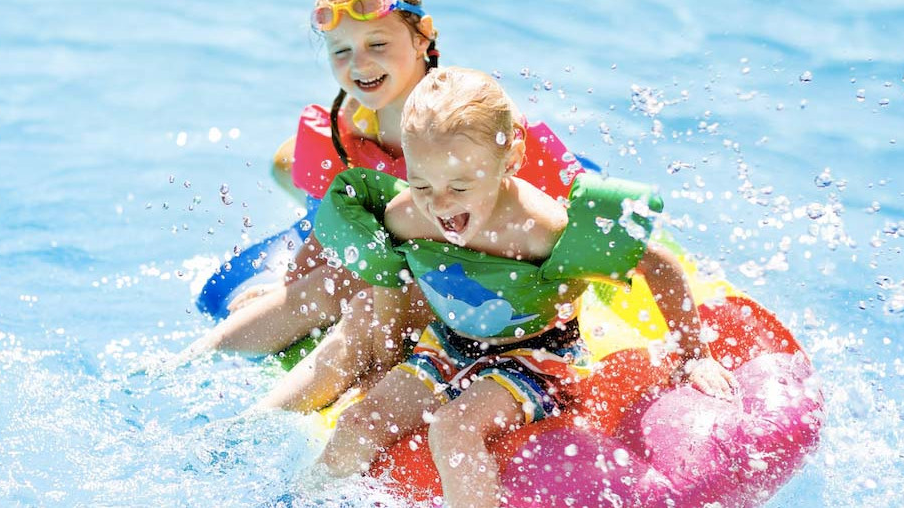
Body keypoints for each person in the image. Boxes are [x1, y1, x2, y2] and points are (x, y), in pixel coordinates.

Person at [299, 67, 736, 507]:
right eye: (421, 183)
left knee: (453, 430)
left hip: (538, 355)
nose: (439, 203)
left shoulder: (540, 228)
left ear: (509, 161)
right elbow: (388, 274)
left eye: (459, 186)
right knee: (358, 424)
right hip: (447, 344)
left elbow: (656, 263)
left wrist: (695, 356)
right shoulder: (407, 215)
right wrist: (388, 361)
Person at [178, 0, 585, 386]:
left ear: (423, 36)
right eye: (341, 50)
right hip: (395, 255)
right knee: (321, 247)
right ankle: (187, 364)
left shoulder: (477, 129)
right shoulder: (345, 131)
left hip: (467, 278)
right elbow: (334, 225)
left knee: (350, 282)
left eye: (377, 44)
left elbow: (574, 215)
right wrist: (288, 285)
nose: (360, 64)